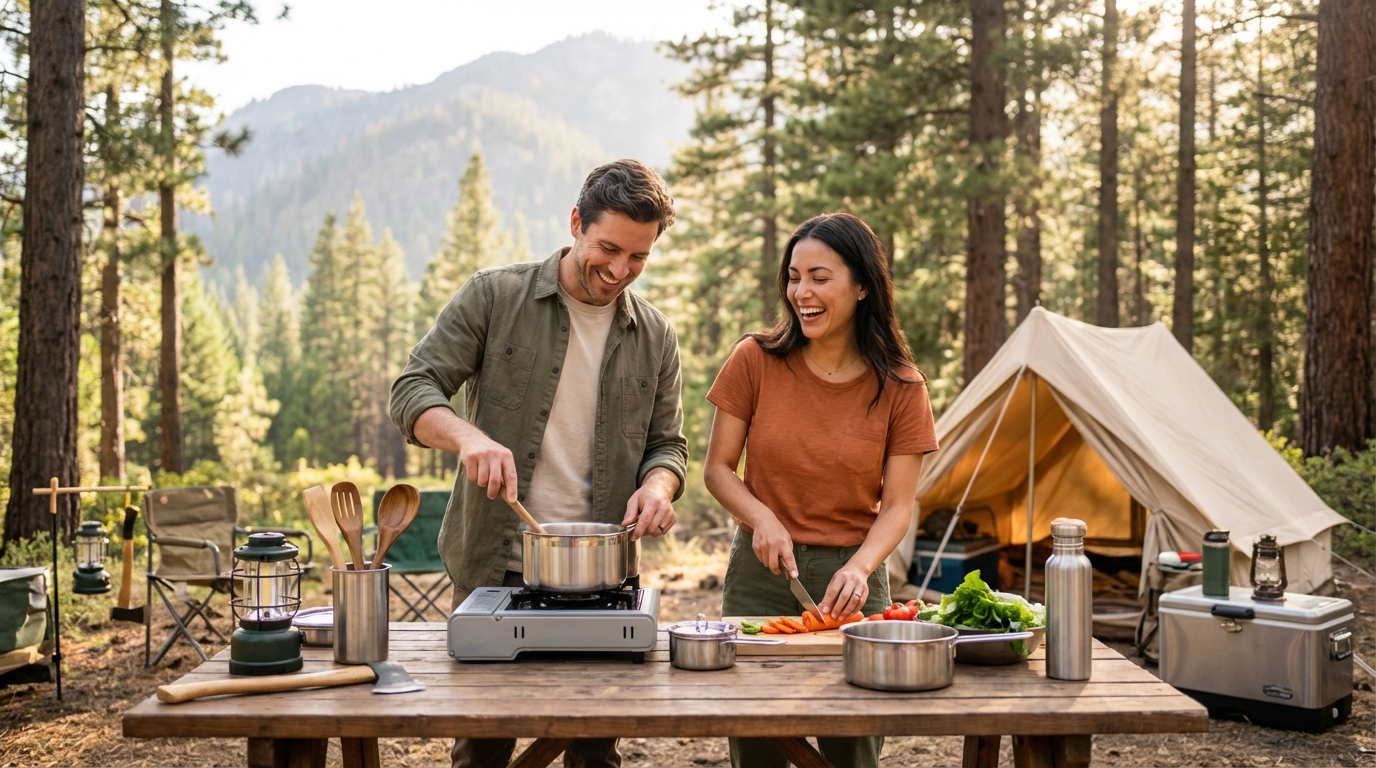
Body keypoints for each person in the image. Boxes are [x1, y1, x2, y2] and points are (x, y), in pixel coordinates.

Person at [390, 159, 689, 768]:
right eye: (607, 248)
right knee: (482, 747)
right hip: (495, 561)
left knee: (593, 750)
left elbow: (668, 445)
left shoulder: (655, 335)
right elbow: (413, 388)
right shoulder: (495, 296)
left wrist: (659, 486)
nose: (619, 270)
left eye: (638, 257)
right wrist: (467, 437)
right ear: (576, 222)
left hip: (603, 573)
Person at [703, 212, 938, 768]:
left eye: (819, 277)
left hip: (852, 587)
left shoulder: (903, 387)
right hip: (759, 580)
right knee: (758, 745)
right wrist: (761, 518)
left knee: (852, 747)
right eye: (793, 277)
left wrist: (859, 569)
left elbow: (899, 505)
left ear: (861, 287)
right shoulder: (754, 359)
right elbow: (717, 469)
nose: (800, 292)